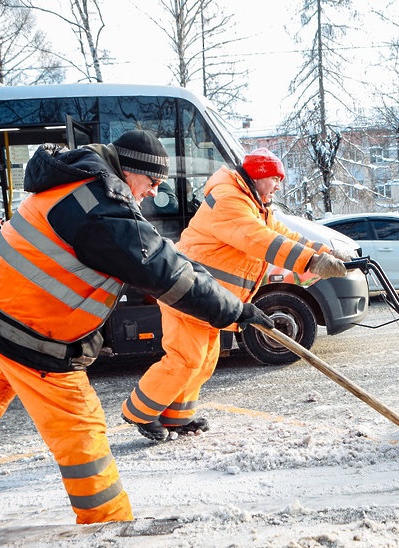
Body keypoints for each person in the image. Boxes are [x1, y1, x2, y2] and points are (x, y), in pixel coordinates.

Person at [0, 130, 273, 530]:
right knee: (82, 434)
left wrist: (230, 302)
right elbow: (163, 271)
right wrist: (234, 309)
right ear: (131, 172)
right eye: (151, 183)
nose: (151, 193)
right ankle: (108, 528)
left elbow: (161, 253)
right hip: (30, 335)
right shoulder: (101, 207)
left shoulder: (78, 183)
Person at [121, 148, 349, 441]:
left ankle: (177, 416)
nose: (278, 185)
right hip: (186, 291)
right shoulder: (230, 201)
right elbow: (259, 239)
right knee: (185, 359)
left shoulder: (253, 204)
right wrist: (310, 262)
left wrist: (326, 252)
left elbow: (283, 234)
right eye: (275, 178)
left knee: (203, 360)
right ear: (258, 176)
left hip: (207, 298)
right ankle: (139, 411)